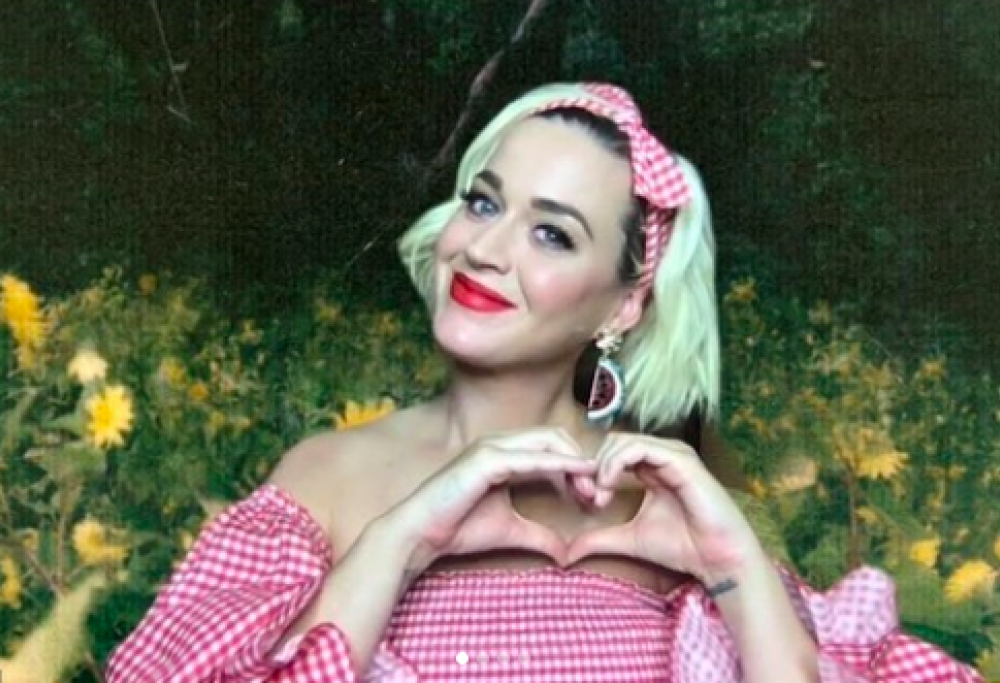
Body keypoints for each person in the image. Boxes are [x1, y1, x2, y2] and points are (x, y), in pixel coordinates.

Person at [105, 83, 983, 682]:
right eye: (485, 202)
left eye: (553, 234)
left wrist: (734, 566)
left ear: (625, 303)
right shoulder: (325, 478)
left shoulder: (673, 509)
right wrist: (401, 540)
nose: (484, 249)